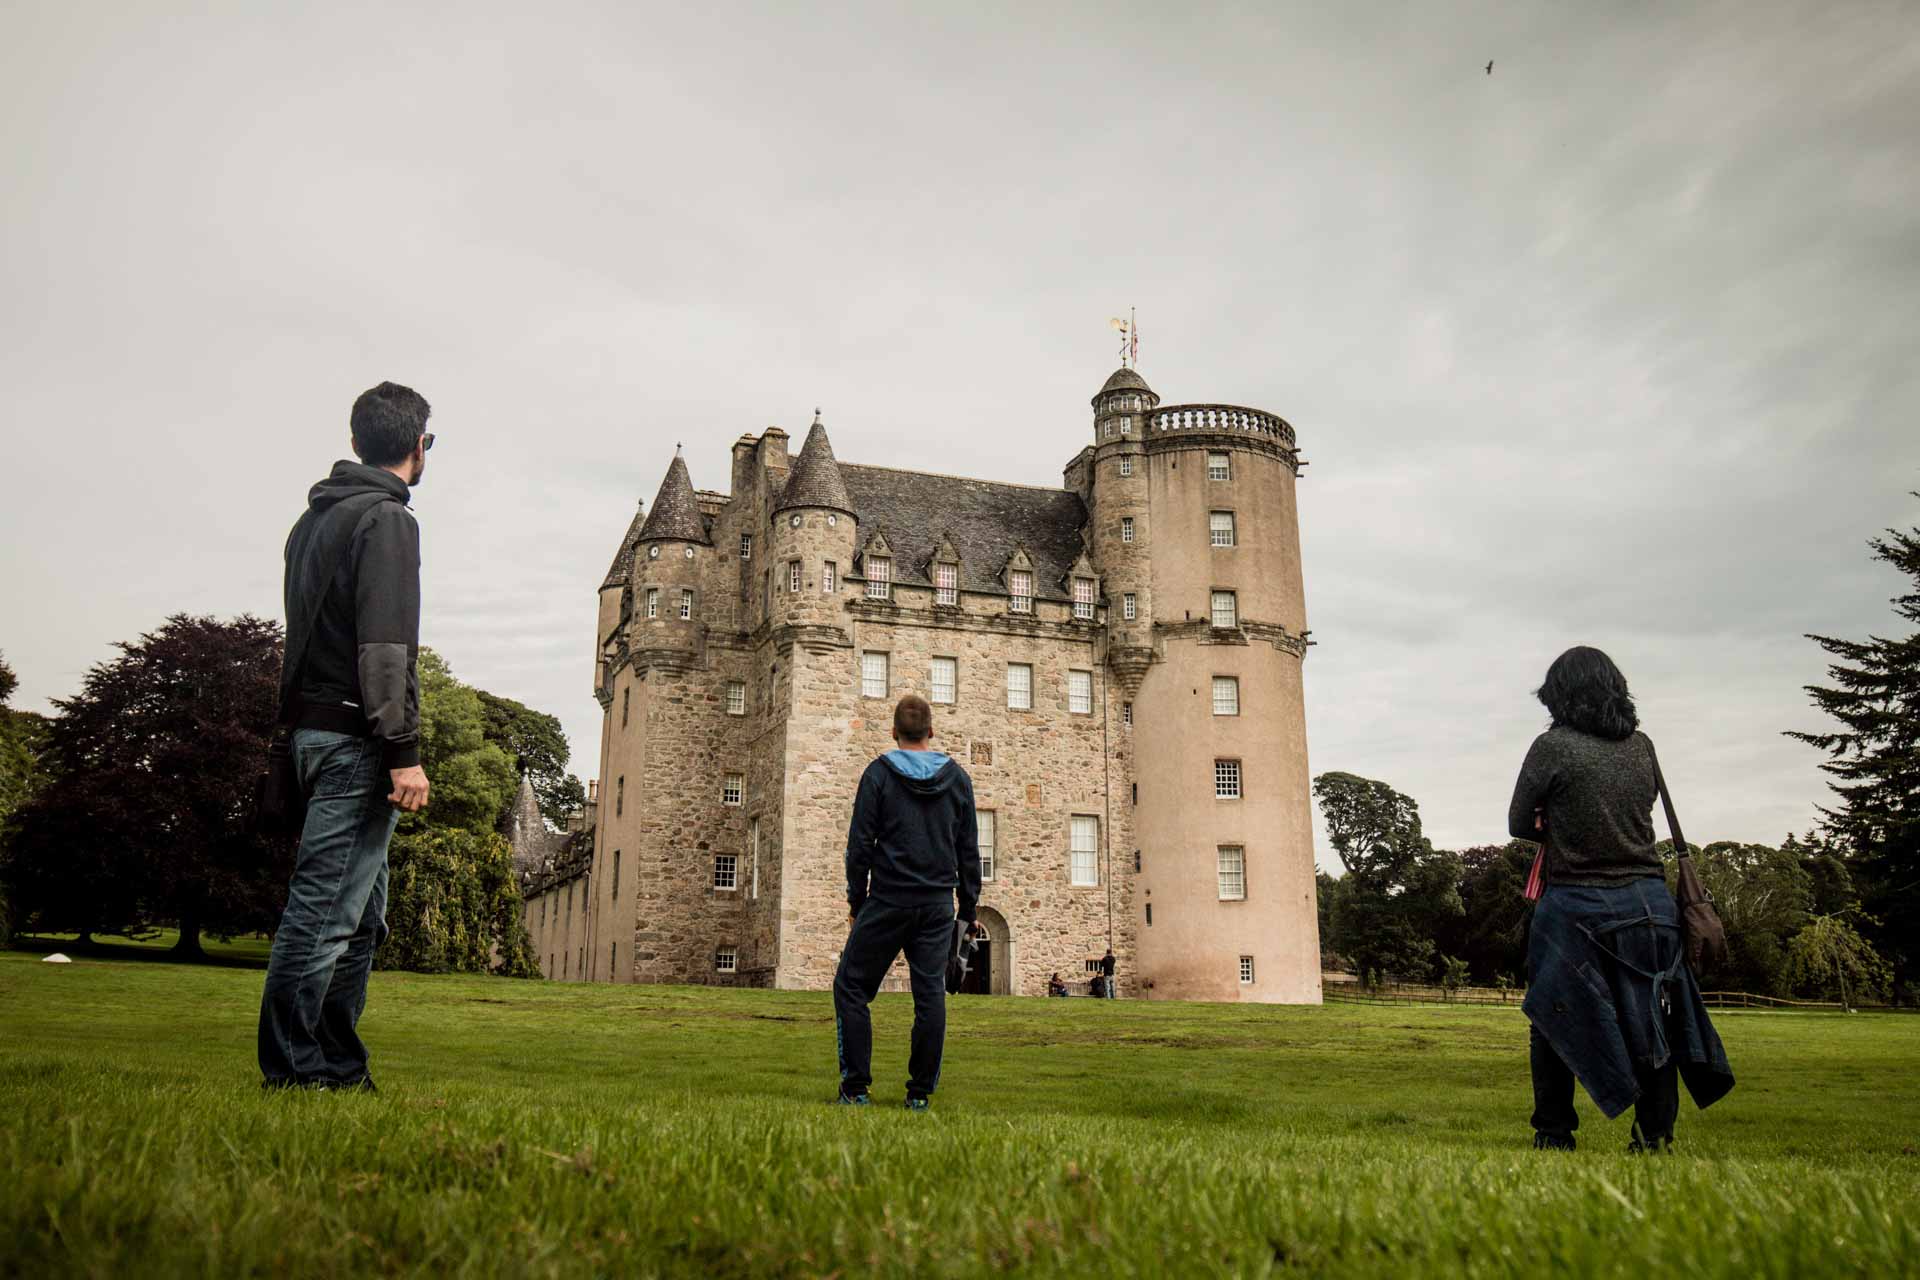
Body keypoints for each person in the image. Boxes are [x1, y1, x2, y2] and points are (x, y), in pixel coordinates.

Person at [258, 382, 435, 1092]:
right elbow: (385, 649)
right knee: (326, 916)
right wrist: (403, 750)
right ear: (418, 444)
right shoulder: (387, 522)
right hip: (355, 740)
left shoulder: (314, 521)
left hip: (314, 733)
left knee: (361, 921)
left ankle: (337, 1064)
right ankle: (295, 1072)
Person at [1508, 646, 1733, 1152]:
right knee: (1654, 1019)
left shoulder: (1552, 747)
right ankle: (1654, 1137)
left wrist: (1556, 820)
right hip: (1649, 905)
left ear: (1559, 695)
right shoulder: (1643, 745)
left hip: (1575, 903)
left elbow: (1518, 822)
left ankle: (1554, 1132)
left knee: (1552, 1014)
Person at [833, 694, 984, 1110]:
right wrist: (968, 910)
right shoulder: (957, 780)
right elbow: (969, 851)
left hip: (888, 898)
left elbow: (859, 846)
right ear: (932, 732)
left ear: (893, 731)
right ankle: (919, 1095)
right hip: (936, 905)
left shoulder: (878, 775)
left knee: (850, 987)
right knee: (930, 995)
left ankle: (856, 1087)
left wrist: (856, 900)